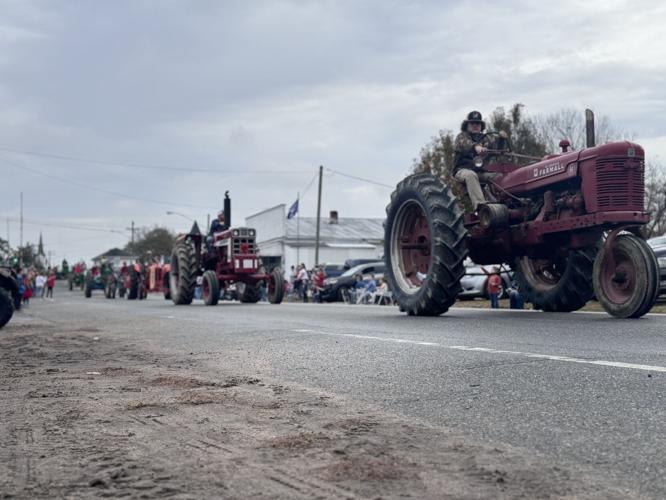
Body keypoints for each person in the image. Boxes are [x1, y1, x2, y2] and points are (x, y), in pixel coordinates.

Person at [453, 110, 508, 212]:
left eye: (478, 123)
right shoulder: (462, 137)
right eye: (472, 123)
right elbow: (464, 145)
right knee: (471, 175)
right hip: (462, 171)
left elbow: (499, 151)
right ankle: (481, 207)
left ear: (481, 125)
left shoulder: (486, 138)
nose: (475, 125)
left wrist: (502, 139)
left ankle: (505, 204)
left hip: (481, 172)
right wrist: (476, 147)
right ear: (467, 125)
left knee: (499, 176)